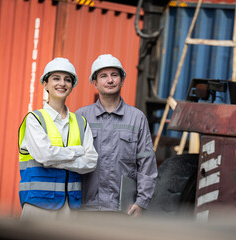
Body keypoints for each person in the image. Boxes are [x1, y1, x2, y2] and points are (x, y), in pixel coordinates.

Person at [76, 54, 157, 217]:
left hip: (124, 209)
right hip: (86, 207)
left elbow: (147, 163)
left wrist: (142, 202)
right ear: (95, 83)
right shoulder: (81, 116)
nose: (110, 80)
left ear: (122, 80)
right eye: (103, 76)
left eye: (114, 75)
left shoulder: (137, 118)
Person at [18, 57, 98, 220]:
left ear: (72, 86)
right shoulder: (34, 119)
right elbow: (44, 156)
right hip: (37, 206)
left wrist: (55, 159)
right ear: (45, 84)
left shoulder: (81, 122)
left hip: (70, 208)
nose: (62, 83)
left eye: (67, 80)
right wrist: (77, 151)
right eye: (56, 78)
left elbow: (91, 162)